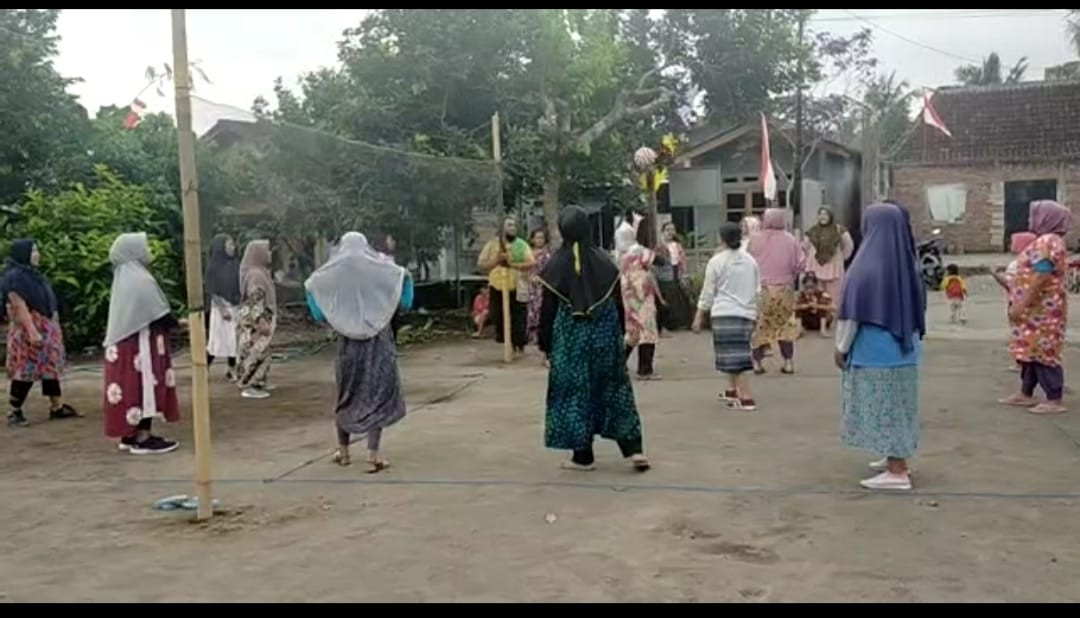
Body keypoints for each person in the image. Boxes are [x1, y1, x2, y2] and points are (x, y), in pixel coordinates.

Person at [538, 206, 650, 472]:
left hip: (570, 342)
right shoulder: (603, 260)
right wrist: (621, 332)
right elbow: (618, 303)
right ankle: (634, 450)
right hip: (604, 338)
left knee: (575, 394)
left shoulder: (555, 264)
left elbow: (548, 311)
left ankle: (583, 456)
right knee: (615, 390)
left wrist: (544, 345)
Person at [835, 203, 926, 491]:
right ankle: (894, 458)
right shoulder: (908, 264)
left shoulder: (864, 266)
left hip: (875, 352)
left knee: (885, 408)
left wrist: (841, 348)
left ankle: (897, 471)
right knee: (898, 407)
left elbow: (851, 315)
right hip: (905, 350)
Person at [306, 232, 413, 472]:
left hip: (348, 347)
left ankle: (343, 452)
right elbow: (404, 303)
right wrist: (406, 280)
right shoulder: (381, 272)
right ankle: (373, 454)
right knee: (376, 394)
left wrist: (338, 317)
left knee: (347, 394)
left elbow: (317, 310)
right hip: (379, 344)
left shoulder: (331, 277)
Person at [102, 233, 180, 454]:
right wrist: (178, 323)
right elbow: (158, 313)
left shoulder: (124, 277)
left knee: (130, 388)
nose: (148, 250)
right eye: (143, 246)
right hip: (139, 346)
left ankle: (131, 434)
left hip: (125, 346)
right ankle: (142, 437)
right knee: (145, 385)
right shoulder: (140, 279)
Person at [999, 200, 1071, 415]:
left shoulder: (1048, 241)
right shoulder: (1046, 241)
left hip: (1042, 311)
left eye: (1034, 216)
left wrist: (1021, 303)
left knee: (1043, 351)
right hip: (1035, 311)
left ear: (1046, 219)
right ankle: (1026, 393)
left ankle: (1054, 398)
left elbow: (1041, 276)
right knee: (1029, 351)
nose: (1030, 220)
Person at [2, 239, 80, 427]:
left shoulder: (32, 275)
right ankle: (15, 411)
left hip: (46, 327)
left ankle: (57, 406)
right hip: (29, 330)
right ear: (24, 253)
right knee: (26, 369)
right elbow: (19, 306)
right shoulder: (14, 277)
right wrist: (32, 331)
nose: (37, 254)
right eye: (34, 251)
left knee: (49, 368)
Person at [692, 223, 761, 411]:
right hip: (746, 313)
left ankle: (746, 397)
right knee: (734, 353)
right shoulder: (750, 261)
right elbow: (758, 289)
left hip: (723, 313)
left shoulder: (717, 261)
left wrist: (699, 316)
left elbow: (708, 292)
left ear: (722, 238)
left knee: (734, 356)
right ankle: (732, 390)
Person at [747, 208, 804, 375]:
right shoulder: (791, 240)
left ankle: (757, 363)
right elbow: (800, 264)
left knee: (760, 325)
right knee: (785, 325)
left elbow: (748, 262)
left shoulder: (755, 240)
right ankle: (788, 362)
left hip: (761, 289)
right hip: (784, 289)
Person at [477, 218, 534, 353]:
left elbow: (531, 262)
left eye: (514, 225)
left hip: (517, 286)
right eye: (509, 225)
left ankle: (518, 343)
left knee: (518, 318)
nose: (512, 228)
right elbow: (481, 265)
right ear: (502, 228)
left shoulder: (521, 245)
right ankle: (504, 340)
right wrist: (496, 261)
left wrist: (513, 264)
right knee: (497, 315)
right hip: (497, 286)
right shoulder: (492, 244)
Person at [620, 227, 665, 380]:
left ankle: (617, 364)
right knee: (647, 331)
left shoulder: (623, 253)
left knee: (633, 332)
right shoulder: (640, 251)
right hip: (642, 296)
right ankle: (645, 370)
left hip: (628, 296)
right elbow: (661, 261)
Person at [236, 239, 276, 399]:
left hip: (262, 317)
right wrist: (260, 320)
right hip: (257, 320)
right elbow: (255, 298)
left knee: (263, 351)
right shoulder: (256, 275)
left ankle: (259, 381)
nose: (270, 254)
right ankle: (250, 384)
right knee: (255, 351)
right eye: (267, 251)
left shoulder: (260, 272)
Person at [204, 234, 241, 381]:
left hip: (235, 306)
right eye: (230, 244)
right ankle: (205, 366)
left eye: (233, 244)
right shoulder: (213, 267)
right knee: (217, 340)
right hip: (220, 308)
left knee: (233, 340)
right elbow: (212, 290)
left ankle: (232, 368)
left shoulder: (235, 264)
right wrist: (222, 308)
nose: (233, 247)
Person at [803, 207, 854, 307]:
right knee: (817, 298)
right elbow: (805, 247)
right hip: (816, 269)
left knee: (834, 300)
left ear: (830, 216)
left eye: (825, 214)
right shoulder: (812, 231)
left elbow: (849, 245)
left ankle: (832, 321)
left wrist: (842, 257)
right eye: (820, 214)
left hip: (833, 269)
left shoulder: (839, 230)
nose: (822, 217)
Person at [655, 222, 693, 331]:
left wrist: (684, 272)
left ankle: (681, 322)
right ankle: (668, 324)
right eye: (667, 230)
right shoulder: (659, 246)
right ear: (663, 232)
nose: (670, 232)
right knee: (668, 297)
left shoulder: (677, 245)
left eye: (672, 230)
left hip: (677, 272)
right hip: (665, 275)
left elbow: (683, 260)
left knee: (680, 297)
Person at [526, 228, 553, 345]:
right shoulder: (528, 253)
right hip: (530, 285)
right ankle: (531, 335)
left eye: (541, 237)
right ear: (532, 239)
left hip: (543, 285)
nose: (539, 240)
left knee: (540, 308)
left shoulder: (548, 253)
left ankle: (540, 335)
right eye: (537, 237)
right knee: (531, 310)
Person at [795, 272, 835, 336]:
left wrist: (818, 306)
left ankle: (823, 330)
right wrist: (803, 306)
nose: (809, 290)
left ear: (816, 285)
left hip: (821, 320)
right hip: (808, 322)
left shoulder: (823, 294)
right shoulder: (801, 294)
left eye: (811, 287)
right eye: (807, 288)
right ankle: (799, 331)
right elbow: (791, 307)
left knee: (823, 308)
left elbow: (834, 308)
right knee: (798, 309)